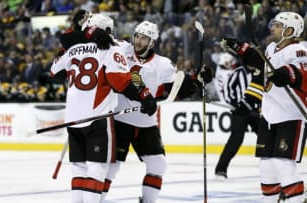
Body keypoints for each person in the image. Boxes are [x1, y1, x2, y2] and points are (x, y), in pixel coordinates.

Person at [81, 17, 212, 202]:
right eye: (137, 36)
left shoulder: (163, 64)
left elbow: (178, 89)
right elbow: (100, 39)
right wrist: (91, 22)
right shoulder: (120, 49)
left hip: (146, 124)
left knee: (158, 165)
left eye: (144, 38)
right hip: (119, 122)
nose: (138, 41)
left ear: (152, 42)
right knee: (111, 167)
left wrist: (198, 79)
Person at [50, 27, 157, 203]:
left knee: (79, 169)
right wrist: (144, 99)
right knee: (97, 169)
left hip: (73, 119)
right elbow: (121, 83)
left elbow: (54, 72)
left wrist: (69, 45)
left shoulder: (73, 49)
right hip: (97, 119)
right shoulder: (110, 48)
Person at [221, 11, 307, 202]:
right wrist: (241, 48)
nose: (273, 28)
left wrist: (288, 74)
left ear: (290, 30)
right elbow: (261, 73)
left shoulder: (299, 50)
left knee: (283, 164)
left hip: (291, 116)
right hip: (268, 116)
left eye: (278, 25)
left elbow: (302, 74)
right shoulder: (270, 48)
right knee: (267, 168)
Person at [214, 57, 261, 180]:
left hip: (256, 111)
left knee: (265, 137)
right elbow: (228, 90)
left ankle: (272, 167)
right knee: (236, 140)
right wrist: (236, 104)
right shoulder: (238, 72)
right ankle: (221, 169)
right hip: (240, 112)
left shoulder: (260, 72)